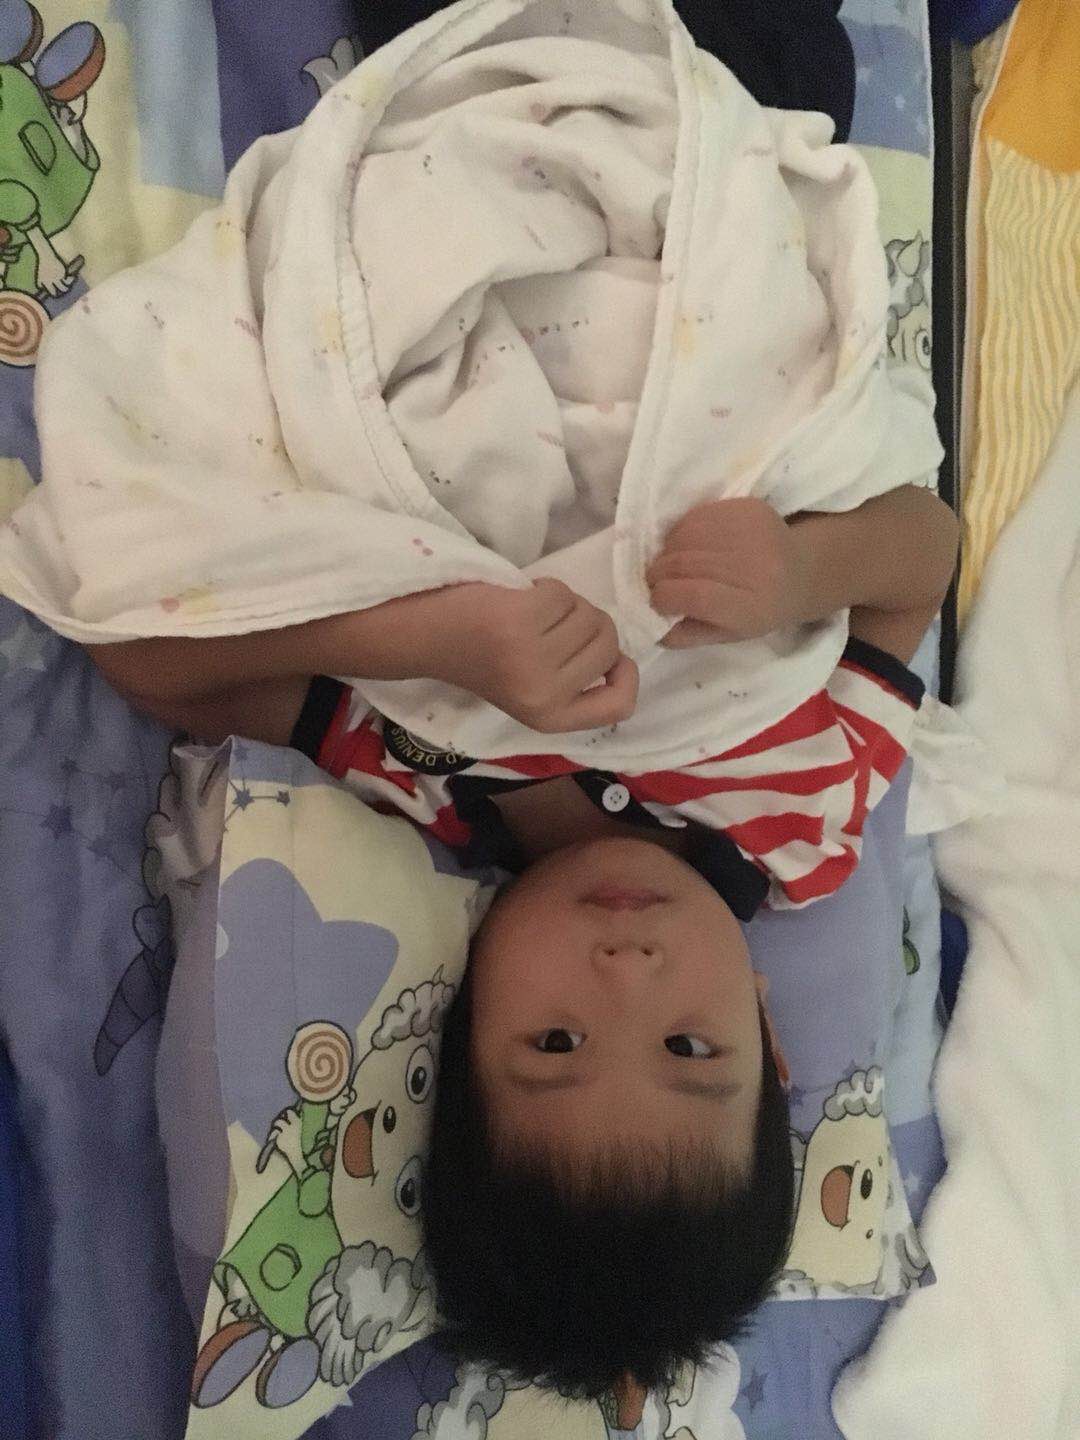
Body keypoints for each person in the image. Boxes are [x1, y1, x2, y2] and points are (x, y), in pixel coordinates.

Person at [85, 480, 957, 1400]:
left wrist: (429, 641)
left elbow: (139, 662)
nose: (627, 974)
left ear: (461, 1024)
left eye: (557, 1042)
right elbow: (926, 557)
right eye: (688, 1047)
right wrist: (805, 570)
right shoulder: (807, 820)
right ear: (768, 1038)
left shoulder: (417, 768)